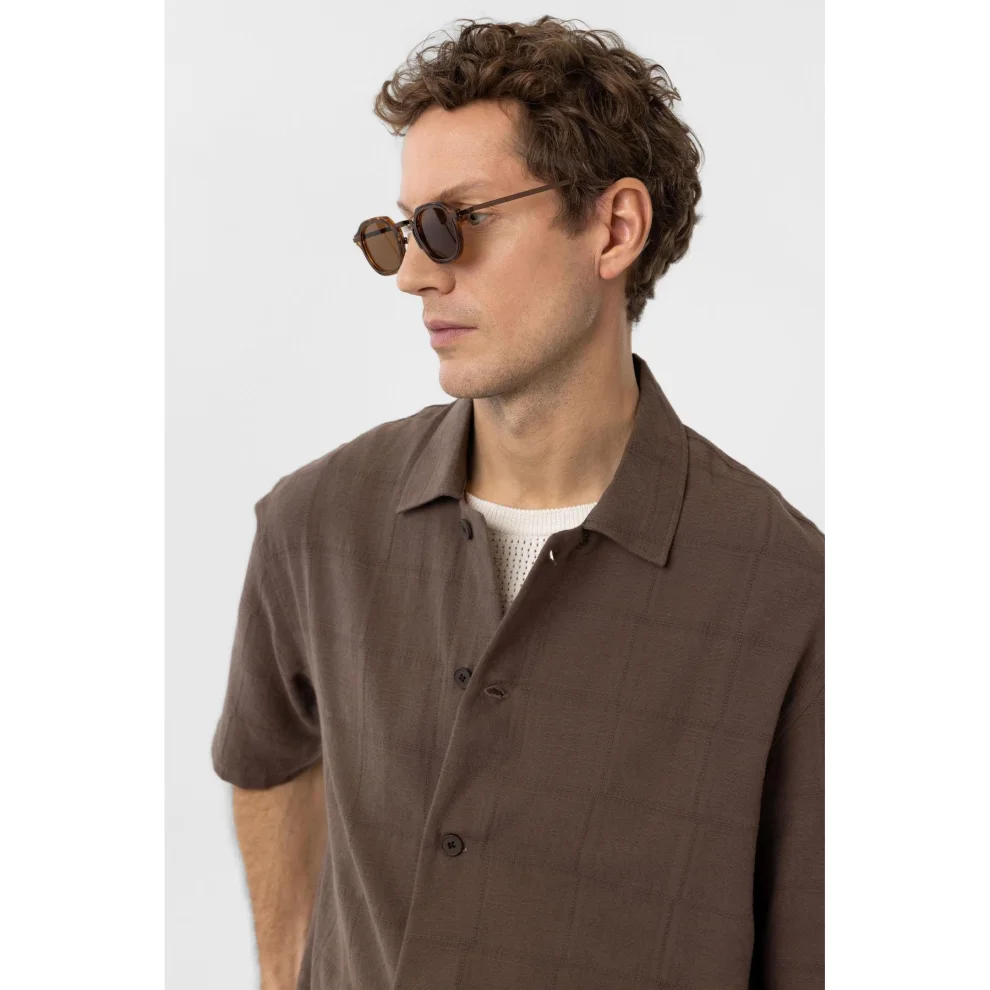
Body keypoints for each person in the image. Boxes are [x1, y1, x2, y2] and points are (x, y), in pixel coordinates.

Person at [211, 15, 824, 990]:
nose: (417, 275)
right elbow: (269, 757)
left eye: (456, 223)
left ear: (614, 229)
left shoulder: (789, 590)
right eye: (401, 232)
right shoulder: (313, 525)